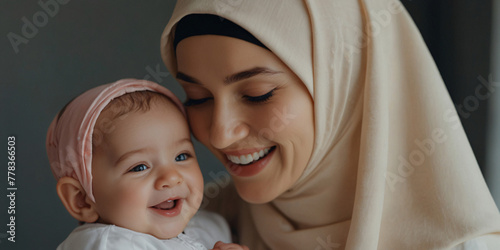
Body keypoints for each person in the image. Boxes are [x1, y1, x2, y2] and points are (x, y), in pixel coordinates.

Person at [159, 0, 500, 249]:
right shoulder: (185, 226)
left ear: (347, 89)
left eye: (258, 94)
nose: (219, 133)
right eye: (198, 97)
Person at [46, 79, 248, 250]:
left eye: (181, 156)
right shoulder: (106, 244)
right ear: (81, 199)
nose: (171, 177)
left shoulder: (211, 226)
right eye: (139, 167)